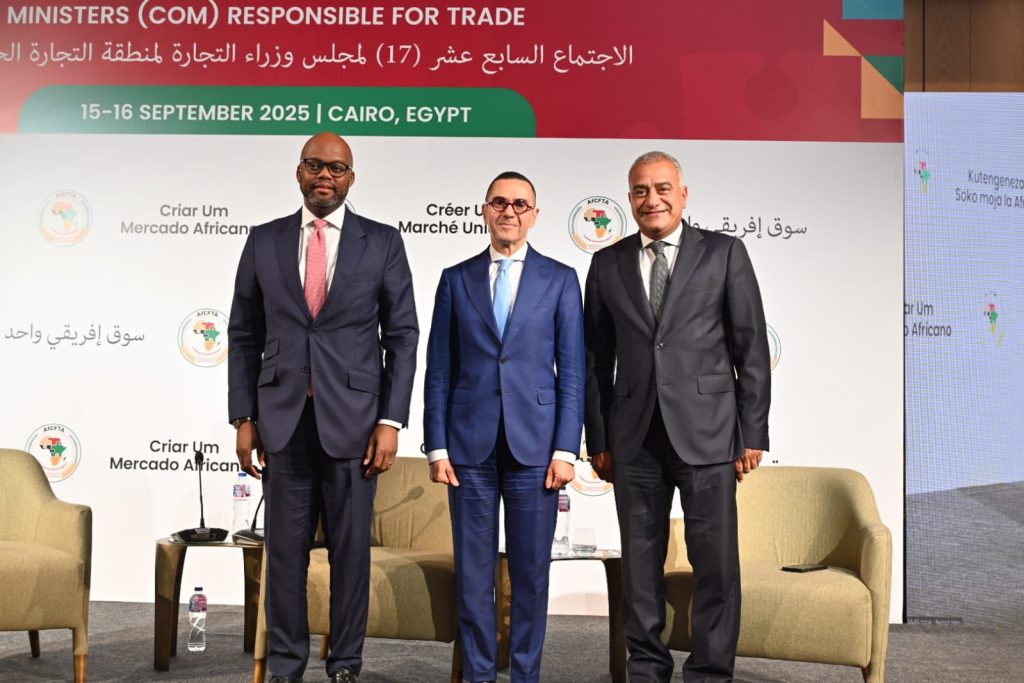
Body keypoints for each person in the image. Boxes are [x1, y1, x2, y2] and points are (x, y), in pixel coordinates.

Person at [228, 132, 418, 683]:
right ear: (299, 172)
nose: (325, 176)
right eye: (315, 165)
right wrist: (244, 417)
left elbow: (402, 335)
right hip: (281, 422)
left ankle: (345, 664)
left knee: (351, 554)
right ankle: (286, 666)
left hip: (355, 424)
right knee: (284, 555)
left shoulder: (382, 242)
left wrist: (390, 420)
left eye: (336, 168)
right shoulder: (264, 240)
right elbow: (243, 334)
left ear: (351, 178)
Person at [584, 151, 771, 682]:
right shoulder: (607, 263)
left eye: (663, 188)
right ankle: (647, 670)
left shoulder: (724, 253)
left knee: (715, 564)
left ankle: (710, 673)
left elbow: (751, 348)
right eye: (641, 190)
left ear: (683, 195)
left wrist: (752, 432)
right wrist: (599, 437)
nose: (653, 199)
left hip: (710, 433)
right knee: (640, 567)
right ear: (629, 199)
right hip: (633, 438)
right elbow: (594, 359)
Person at [423, 171, 585, 683]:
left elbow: (572, 371)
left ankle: (525, 676)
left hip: (536, 450)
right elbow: (439, 369)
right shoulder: (455, 279)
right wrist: (436, 446)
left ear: (534, 215)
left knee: (531, 577)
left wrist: (566, 449)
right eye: (499, 202)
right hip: (467, 450)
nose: (508, 211)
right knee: (474, 578)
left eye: (519, 204)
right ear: (485, 211)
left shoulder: (561, 279)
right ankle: (478, 675)